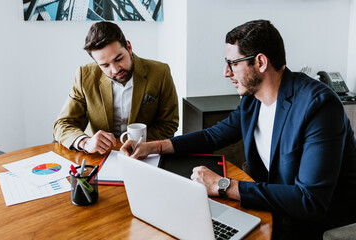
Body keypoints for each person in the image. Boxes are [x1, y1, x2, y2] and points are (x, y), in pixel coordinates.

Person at [120, 20, 356, 239]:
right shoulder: (253, 100)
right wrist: (155, 146)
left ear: (261, 62)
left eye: (233, 63)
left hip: (309, 220)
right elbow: (213, 135)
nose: (226, 72)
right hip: (270, 203)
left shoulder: (319, 107)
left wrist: (222, 185)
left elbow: (310, 201)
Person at [53, 21, 179, 155]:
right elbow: (62, 124)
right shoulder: (84, 76)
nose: (115, 70)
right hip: (99, 155)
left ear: (129, 47)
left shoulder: (160, 72)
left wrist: (141, 144)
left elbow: (169, 124)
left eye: (118, 59)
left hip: (145, 153)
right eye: (105, 65)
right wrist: (85, 142)